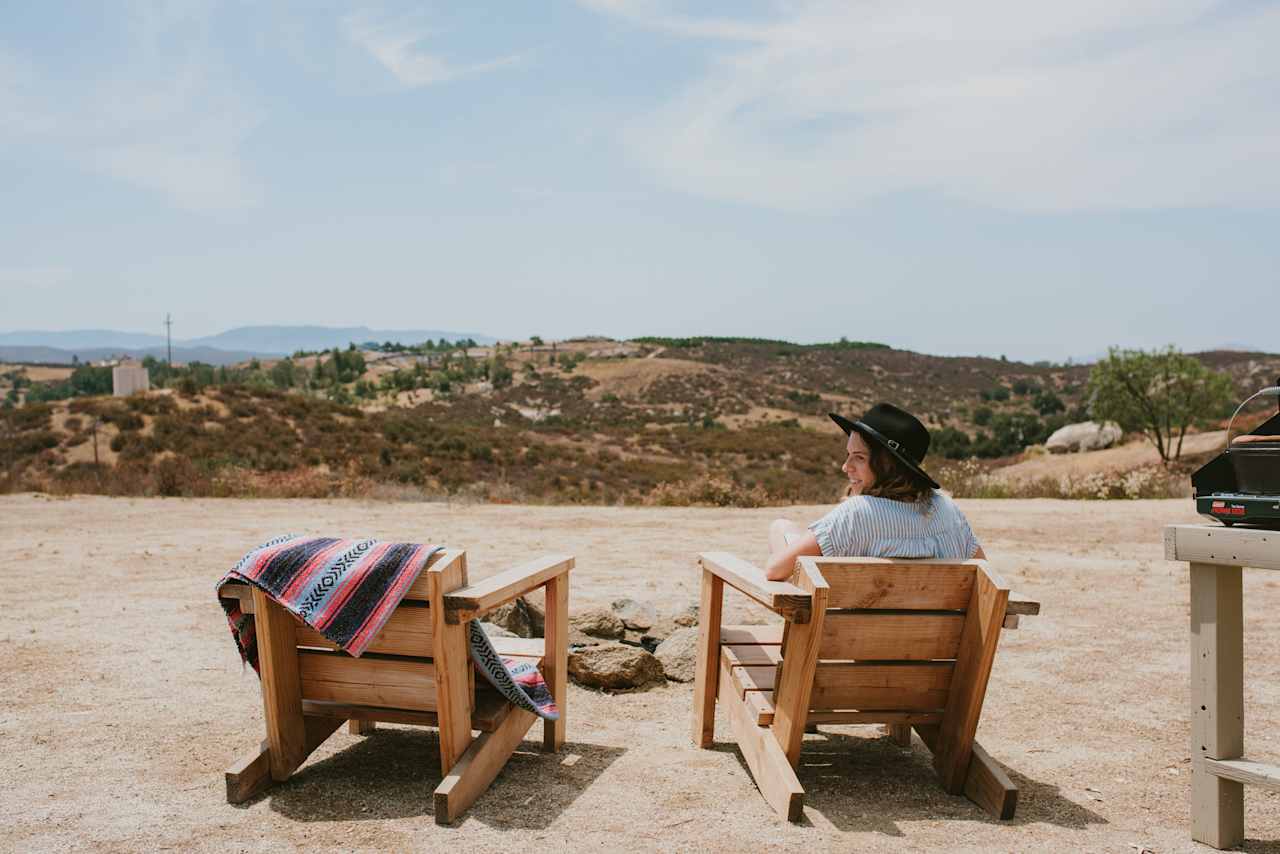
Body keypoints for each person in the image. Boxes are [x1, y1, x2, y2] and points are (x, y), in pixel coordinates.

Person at [765, 403, 985, 581]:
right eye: (848, 455)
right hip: (940, 636)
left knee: (780, 527)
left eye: (859, 457)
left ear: (888, 465)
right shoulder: (948, 510)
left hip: (850, 636)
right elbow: (985, 574)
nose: (846, 466)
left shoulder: (856, 514)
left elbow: (775, 571)